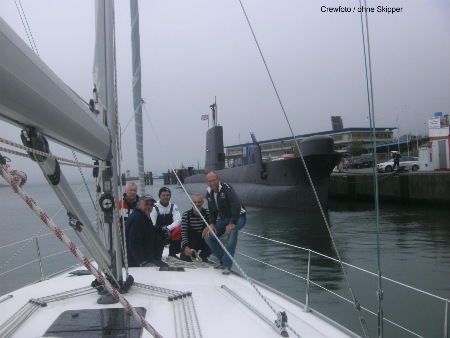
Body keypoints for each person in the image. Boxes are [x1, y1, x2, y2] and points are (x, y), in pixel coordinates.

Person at [204, 171, 246, 275]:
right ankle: (222, 260)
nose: (212, 183)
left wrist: (233, 223)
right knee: (209, 237)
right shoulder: (209, 192)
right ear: (207, 182)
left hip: (238, 217)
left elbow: (236, 204)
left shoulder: (226, 188)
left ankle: (227, 265)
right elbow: (212, 210)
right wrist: (212, 224)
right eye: (210, 181)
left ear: (218, 179)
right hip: (224, 219)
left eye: (214, 180)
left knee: (232, 234)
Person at [125, 194, 168, 267]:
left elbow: (149, 228)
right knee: (166, 268)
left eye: (151, 205)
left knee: (161, 234)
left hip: (146, 256)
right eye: (146, 204)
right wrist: (142, 262)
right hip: (135, 262)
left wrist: (161, 228)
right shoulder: (137, 219)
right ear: (139, 204)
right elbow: (133, 243)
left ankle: (156, 258)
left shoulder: (143, 216)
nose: (149, 206)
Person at [150, 187, 182, 258]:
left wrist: (167, 229)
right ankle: (156, 254)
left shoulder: (173, 207)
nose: (165, 197)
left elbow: (178, 221)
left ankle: (172, 253)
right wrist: (163, 229)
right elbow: (153, 224)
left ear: (170, 196)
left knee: (178, 230)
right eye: (163, 195)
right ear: (159, 196)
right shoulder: (154, 208)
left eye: (167, 195)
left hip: (169, 231)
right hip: (158, 232)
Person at [180, 194, 212, 263]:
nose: (197, 204)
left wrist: (208, 227)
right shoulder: (186, 215)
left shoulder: (208, 213)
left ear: (203, 202)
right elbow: (184, 233)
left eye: (199, 202)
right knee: (185, 260)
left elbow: (215, 225)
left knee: (214, 241)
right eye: (195, 202)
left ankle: (203, 256)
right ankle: (192, 255)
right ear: (191, 203)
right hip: (191, 241)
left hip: (204, 240)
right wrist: (186, 246)